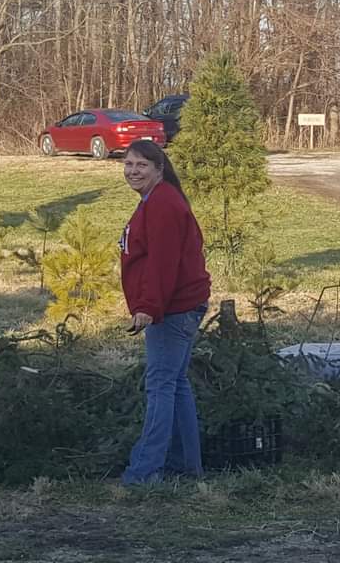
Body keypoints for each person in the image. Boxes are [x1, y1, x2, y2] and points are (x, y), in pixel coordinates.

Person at [119, 140, 211, 485]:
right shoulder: (155, 200)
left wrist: (147, 307)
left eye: (141, 165)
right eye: (128, 164)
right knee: (175, 383)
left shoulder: (162, 204)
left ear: (159, 168)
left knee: (159, 385)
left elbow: (162, 262)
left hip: (174, 309)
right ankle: (186, 465)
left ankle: (145, 471)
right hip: (179, 305)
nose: (133, 171)